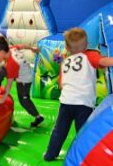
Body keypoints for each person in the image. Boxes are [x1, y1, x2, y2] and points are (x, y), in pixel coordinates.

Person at [44, 27, 113, 161]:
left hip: (66, 102)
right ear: (86, 45)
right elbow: (104, 62)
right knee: (83, 133)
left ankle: (50, 154)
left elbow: (61, 84)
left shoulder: (65, 62)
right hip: (83, 104)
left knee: (59, 131)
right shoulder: (89, 56)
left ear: (67, 48)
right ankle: (82, 158)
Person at [0, 36, 44, 127]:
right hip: (19, 71)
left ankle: (38, 116)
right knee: (1, 69)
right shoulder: (10, 48)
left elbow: (9, 84)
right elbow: (22, 46)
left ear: (1, 52)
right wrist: (32, 49)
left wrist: (3, 99)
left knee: (23, 100)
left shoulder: (12, 63)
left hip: (24, 80)